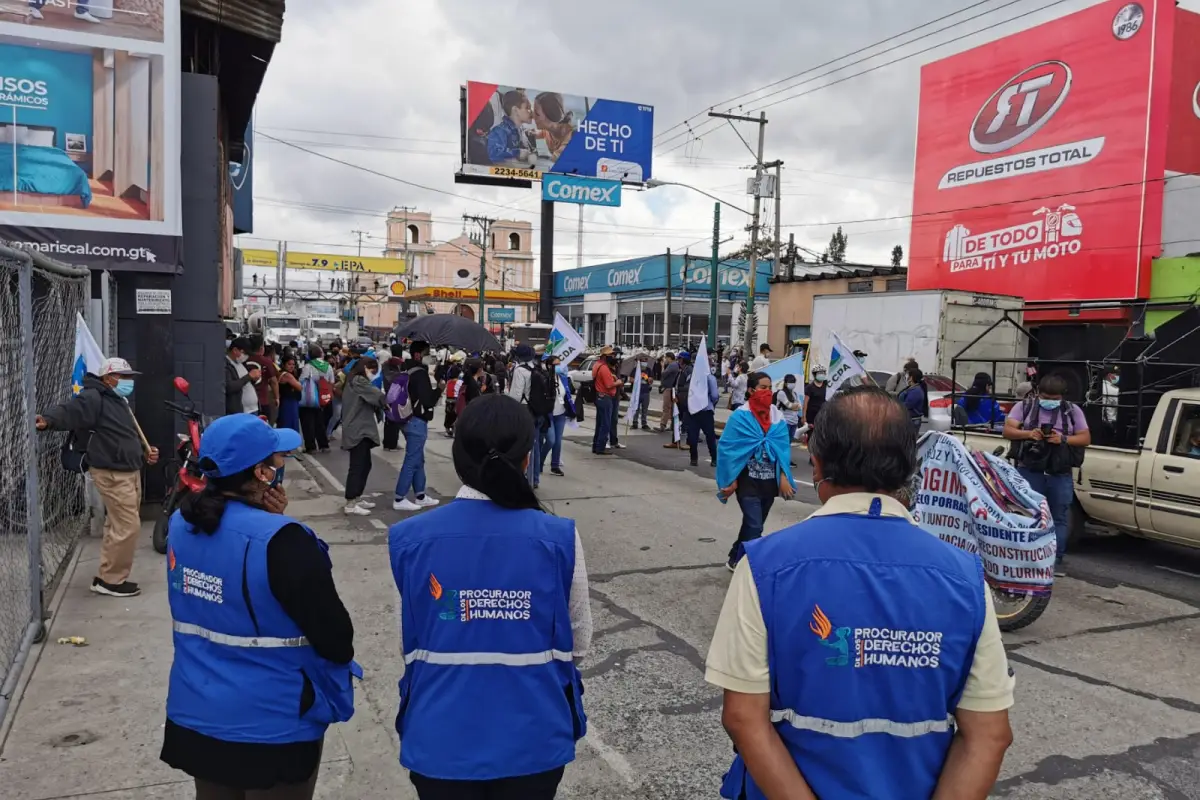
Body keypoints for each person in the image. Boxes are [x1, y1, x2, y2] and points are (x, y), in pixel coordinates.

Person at [706, 386, 1014, 800]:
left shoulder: (764, 566)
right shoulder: (965, 577)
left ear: (816, 465)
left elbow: (743, 718)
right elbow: (988, 735)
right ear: (910, 467)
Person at [388, 394, 591, 799]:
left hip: (439, 739)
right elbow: (579, 641)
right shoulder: (558, 536)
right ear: (526, 458)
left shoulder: (409, 539)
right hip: (532, 739)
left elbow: (408, 639)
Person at [161, 415, 356, 800]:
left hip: (199, 712)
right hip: (273, 724)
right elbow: (336, 639)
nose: (281, 466)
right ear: (262, 472)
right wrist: (273, 525)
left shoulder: (182, 525)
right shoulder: (284, 542)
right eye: (277, 459)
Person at [36, 357, 158, 598]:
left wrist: (145, 452)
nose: (129, 381)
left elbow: (125, 434)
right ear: (109, 378)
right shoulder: (94, 397)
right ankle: (111, 580)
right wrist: (48, 419)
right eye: (124, 377)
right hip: (112, 472)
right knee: (127, 526)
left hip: (127, 469)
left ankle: (107, 576)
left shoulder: (118, 400)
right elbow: (70, 411)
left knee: (118, 525)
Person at [1003, 373, 1091, 573]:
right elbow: (1008, 431)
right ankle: (1025, 555)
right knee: (1027, 514)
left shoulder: (1072, 411)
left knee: (1058, 516)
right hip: (1030, 469)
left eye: (1055, 399)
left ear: (1062, 396)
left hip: (1059, 472)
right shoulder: (1024, 407)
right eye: (1046, 398)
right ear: (1038, 393)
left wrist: (1063, 439)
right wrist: (1028, 434)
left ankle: (1055, 559)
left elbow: (1085, 438)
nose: (1050, 402)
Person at [717, 372, 797, 571]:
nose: (768, 392)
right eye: (763, 387)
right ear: (752, 390)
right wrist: (732, 481)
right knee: (755, 526)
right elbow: (728, 450)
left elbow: (782, 450)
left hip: (768, 484)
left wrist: (784, 477)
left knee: (753, 524)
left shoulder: (777, 417)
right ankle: (750, 568)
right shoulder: (740, 417)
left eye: (770, 388)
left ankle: (735, 557)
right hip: (747, 483)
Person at [393, 340, 441, 512]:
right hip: (417, 421)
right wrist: (439, 388)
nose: (430, 356)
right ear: (418, 354)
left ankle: (420, 495)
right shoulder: (420, 374)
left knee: (418, 459)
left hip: (406, 419)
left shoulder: (407, 369)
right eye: (427, 352)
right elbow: (428, 401)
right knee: (412, 459)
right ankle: (400, 497)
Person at [341, 357, 385, 516]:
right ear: (365, 367)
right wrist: (391, 399)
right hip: (357, 429)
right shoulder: (359, 380)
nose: (374, 374)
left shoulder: (355, 379)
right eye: (373, 370)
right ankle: (350, 503)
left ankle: (357, 497)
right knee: (358, 466)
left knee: (365, 464)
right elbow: (375, 395)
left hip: (361, 429)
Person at [542, 354, 576, 479]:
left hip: (560, 413)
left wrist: (571, 410)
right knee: (551, 440)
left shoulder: (561, 377)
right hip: (549, 414)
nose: (559, 367)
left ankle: (555, 465)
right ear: (549, 365)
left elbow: (567, 393)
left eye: (559, 364)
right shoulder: (545, 378)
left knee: (558, 441)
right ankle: (540, 461)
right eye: (556, 364)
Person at [685, 356, 720, 468]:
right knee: (710, 436)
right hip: (706, 410)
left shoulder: (691, 376)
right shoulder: (710, 378)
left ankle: (693, 459)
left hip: (692, 409)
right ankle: (714, 459)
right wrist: (712, 403)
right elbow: (715, 395)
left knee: (693, 435)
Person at [487, 88, 535, 164]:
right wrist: (517, 153)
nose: (532, 112)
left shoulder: (521, 131)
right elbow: (494, 153)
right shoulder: (500, 131)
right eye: (527, 108)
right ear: (515, 110)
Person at [591, 346, 620, 455]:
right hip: (605, 397)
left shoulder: (596, 365)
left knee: (600, 422)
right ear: (605, 357)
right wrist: (618, 382)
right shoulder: (603, 368)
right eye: (611, 355)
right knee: (606, 423)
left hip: (599, 396)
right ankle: (600, 447)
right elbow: (609, 385)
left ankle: (596, 445)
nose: (613, 357)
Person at [226, 337, 262, 416]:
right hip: (242, 412)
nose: (246, 356)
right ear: (235, 350)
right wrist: (249, 376)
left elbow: (244, 382)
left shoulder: (239, 363)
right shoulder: (226, 365)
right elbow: (230, 387)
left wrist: (253, 379)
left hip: (253, 409)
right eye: (244, 353)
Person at [381, 344, 407, 451]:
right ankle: (391, 444)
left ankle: (387, 443)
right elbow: (394, 378)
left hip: (388, 393)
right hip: (395, 394)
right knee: (394, 420)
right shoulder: (397, 364)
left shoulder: (386, 364)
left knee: (389, 419)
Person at [249, 337, 280, 427]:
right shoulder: (266, 361)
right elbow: (274, 381)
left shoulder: (243, 360)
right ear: (262, 348)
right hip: (263, 401)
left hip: (246, 402)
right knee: (264, 427)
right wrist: (277, 397)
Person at [775, 374, 802, 462]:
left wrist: (795, 406)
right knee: (783, 442)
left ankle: (784, 459)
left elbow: (799, 406)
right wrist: (795, 406)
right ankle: (780, 459)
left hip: (794, 421)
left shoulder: (794, 394)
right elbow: (789, 405)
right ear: (786, 383)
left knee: (788, 442)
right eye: (790, 382)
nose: (792, 384)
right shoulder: (781, 393)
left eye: (794, 382)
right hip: (785, 421)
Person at [277, 354, 302, 434]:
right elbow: (299, 387)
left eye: (293, 364)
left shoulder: (280, 373)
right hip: (289, 402)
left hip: (287, 401)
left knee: (286, 422)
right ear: (284, 364)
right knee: (289, 423)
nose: (292, 366)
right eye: (289, 364)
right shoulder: (287, 375)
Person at [898, 366, 928, 431]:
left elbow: (907, 405)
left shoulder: (916, 391)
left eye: (908, 375)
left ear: (911, 377)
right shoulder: (911, 388)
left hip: (912, 421)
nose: (906, 377)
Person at [658, 351, 680, 436]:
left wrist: (662, 366)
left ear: (669, 358)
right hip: (671, 388)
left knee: (666, 407)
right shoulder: (674, 365)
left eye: (666, 358)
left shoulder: (672, 365)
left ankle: (663, 425)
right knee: (671, 408)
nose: (665, 359)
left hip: (669, 388)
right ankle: (672, 425)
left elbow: (663, 374)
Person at [633, 357, 653, 431]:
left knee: (645, 409)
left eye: (646, 361)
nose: (644, 362)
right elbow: (631, 379)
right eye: (643, 361)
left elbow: (651, 380)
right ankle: (635, 422)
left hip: (646, 392)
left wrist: (646, 377)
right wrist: (637, 377)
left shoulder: (648, 370)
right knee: (636, 408)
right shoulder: (635, 369)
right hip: (637, 392)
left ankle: (644, 423)